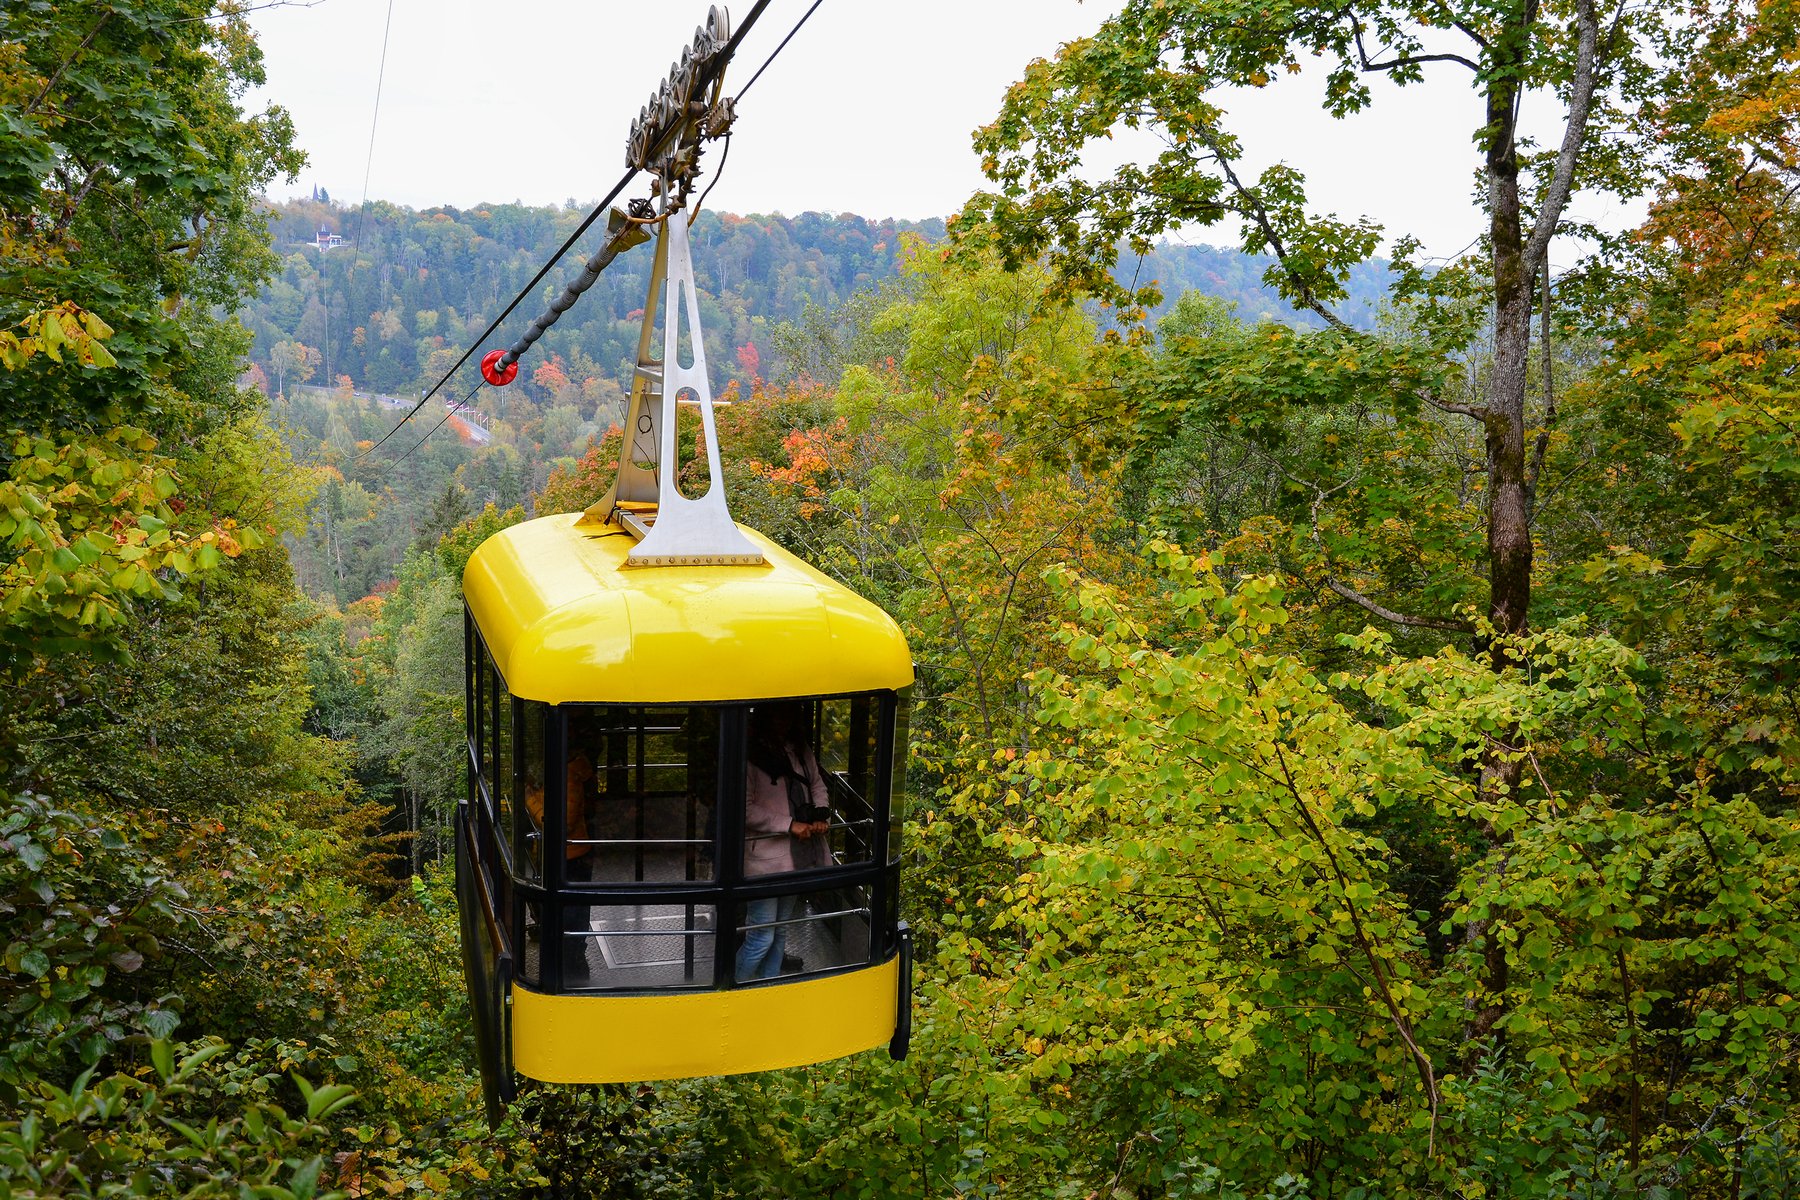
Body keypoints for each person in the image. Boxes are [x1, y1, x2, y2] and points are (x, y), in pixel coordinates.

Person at [737, 702, 831, 981]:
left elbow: (817, 784)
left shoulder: (800, 751)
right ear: (766, 716)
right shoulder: (750, 755)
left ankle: (768, 988)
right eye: (778, 714)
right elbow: (744, 808)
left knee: (779, 931)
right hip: (765, 860)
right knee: (761, 937)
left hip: (798, 856)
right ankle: (732, 992)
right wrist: (788, 825)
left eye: (788, 715)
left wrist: (819, 815)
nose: (783, 721)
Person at [525, 743, 597, 982]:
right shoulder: (562, 775)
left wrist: (529, 799)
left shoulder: (568, 779)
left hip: (569, 856)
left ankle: (573, 969)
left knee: (572, 915)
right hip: (565, 854)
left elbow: (558, 822)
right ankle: (571, 964)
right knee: (572, 912)